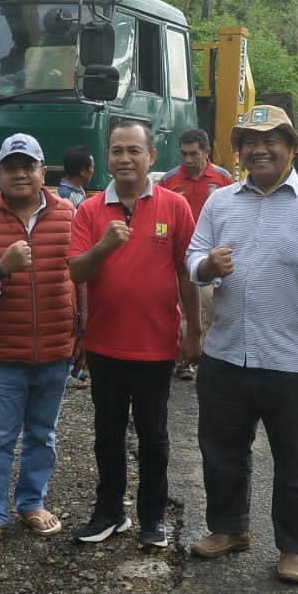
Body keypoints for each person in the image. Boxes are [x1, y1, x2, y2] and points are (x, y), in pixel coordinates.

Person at [186, 105, 298, 584]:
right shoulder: (220, 203)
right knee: (221, 450)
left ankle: (295, 547)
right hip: (226, 351)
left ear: (292, 146)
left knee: (295, 459)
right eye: (249, 142)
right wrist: (206, 268)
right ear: (238, 152)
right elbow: (192, 255)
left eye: (270, 140)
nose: (258, 149)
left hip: (293, 358)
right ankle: (229, 528)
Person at [68, 118, 201, 548]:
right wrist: (105, 245)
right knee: (106, 434)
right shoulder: (89, 210)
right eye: (117, 151)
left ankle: (152, 518)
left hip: (156, 345)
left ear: (151, 156)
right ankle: (109, 512)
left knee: (154, 437)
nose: (125, 158)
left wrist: (193, 330)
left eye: (134, 150)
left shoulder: (173, 206)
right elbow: (76, 270)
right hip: (105, 344)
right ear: (106, 156)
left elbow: (186, 271)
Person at [0, 134, 79, 551]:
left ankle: (31, 502)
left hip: (56, 348)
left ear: (44, 172)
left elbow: (81, 278)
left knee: (43, 434)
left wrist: (82, 331)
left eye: (29, 165)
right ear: (0, 174)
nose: (21, 173)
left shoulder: (69, 213)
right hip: (3, 352)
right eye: (12, 166)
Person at [160, 128, 233, 380]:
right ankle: (183, 360)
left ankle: (208, 356)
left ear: (206, 152)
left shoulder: (223, 178)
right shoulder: (169, 180)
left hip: (208, 259)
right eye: (183, 154)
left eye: (194, 154)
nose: (188, 160)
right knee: (181, 308)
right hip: (179, 259)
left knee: (210, 308)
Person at [58, 144, 95, 388]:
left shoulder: (77, 192)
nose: (93, 171)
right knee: (76, 315)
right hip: (73, 261)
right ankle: (69, 370)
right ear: (83, 170)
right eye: (91, 166)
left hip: (80, 259)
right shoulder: (67, 196)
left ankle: (77, 366)